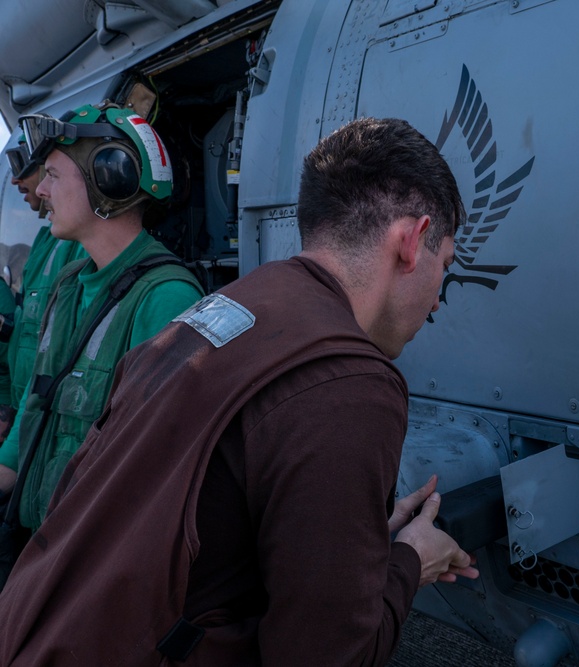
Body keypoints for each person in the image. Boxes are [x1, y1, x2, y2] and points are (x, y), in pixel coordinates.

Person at [0, 117, 477, 666]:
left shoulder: (225, 308)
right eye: (445, 265)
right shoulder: (354, 384)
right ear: (412, 241)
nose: (438, 300)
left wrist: (362, 541)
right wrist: (412, 559)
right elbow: (329, 655)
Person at [0, 103, 204, 531]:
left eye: (53, 176)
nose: (40, 191)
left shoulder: (166, 299)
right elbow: (35, 408)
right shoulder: (70, 282)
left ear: (109, 181)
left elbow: (154, 471)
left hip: (90, 558)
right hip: (42, 543)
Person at [0, 139, 87, 480]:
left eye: (25, 165)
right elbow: (29, 333)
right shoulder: (45, 241)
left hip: (46, 431)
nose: (15, 181)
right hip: (25, 422)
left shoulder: (77, 247)